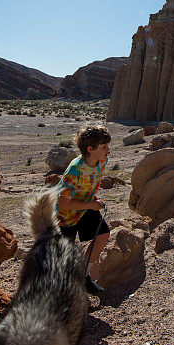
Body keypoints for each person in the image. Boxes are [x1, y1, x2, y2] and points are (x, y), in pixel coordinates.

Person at [55, 125, 112, 294]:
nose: (108, 150)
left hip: (84, 206)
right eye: (104, 147)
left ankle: (84, 275)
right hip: (65, 216)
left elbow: (94, 181)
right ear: (90, 149)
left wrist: (92, 198)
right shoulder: (75, 169)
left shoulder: (102, 161)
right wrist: (90, 204)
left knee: (102, 234)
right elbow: (64, 203)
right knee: (65, 257)